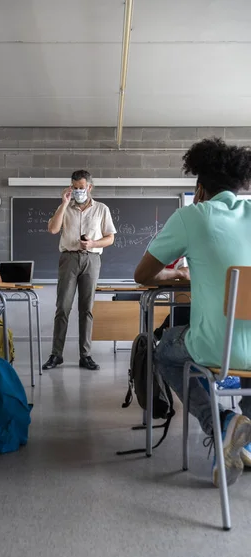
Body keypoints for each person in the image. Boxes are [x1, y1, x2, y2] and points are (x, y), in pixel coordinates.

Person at [134, 137, 251, 487]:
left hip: (217, 348)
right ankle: (244, 443)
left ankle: (221, 422)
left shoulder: (192, 215)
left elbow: (143, 275)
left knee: (166, 352)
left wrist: (181, 272)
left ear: (200, 188)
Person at [43, 170, 116, 371]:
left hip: (92, 259)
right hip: (69, 258)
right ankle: (56, 354)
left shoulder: (101, 209)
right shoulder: (64, 207)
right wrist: (64, 203)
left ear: (89, 187)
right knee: (63, 308)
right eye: (74, 188)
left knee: (87, 309)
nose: (78, 191)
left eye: (81, 188)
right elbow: (53, 229)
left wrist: (93, 243)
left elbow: (110, 238)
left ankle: (85, 355)